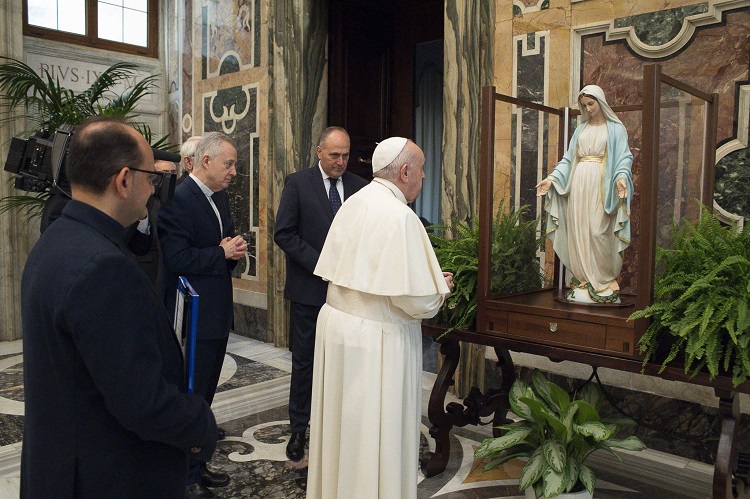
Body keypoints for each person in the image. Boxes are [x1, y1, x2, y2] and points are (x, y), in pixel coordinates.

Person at [20, 116, 218, 498]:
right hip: (105, 473)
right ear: (124, 180)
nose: (154, 190)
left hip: (60, 462)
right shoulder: (102, 266)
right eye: (151, 178)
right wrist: (200, 427)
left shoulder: (56, 239)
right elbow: (140, 402)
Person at [306, 137, 454, 499]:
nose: (422, 177)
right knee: (376, 432)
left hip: (338, 328)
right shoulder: (400, 215)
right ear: (405, 171)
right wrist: (439, 287)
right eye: (420, 170)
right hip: (377, 341)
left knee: (343, 430)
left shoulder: (353, 202)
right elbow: (417, 299)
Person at [158, 132, 247, 498]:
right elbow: (176, 259)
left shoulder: (218, 197)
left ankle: (198, 464)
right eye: (228, 164)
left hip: (215, 312)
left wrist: (232, 251)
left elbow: (219, 244)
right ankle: (185, 476)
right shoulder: (179, 198)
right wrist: (221, 254)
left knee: (205, 395)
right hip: (192, 316)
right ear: (205, 161)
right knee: (190, 396)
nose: (234, 172)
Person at [274, 126, 368, 462]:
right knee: (305, 362)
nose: (341, 161)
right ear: (319, 151)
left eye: (345, 155)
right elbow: (283, 234)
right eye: (334, 155)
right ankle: (298, 429)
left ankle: (342, 426)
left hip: (350, 295)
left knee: (347, 362)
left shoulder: (360, 187)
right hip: (309, 290)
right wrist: (323, 264)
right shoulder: (298, 183)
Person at [536, 84, 633, 303]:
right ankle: (584, 278)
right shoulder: (581, 130)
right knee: (579, 229)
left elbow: (624, 158)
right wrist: (551, 179)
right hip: (578, 183)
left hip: (602, 183)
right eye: (584, 105)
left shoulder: (615, 128)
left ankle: (604, 279)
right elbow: (569, 160)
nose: (588, 108)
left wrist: (621, 178)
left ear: (601, 102)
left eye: (591, 103)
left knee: (598, 231)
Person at [126, 159, 178, 291]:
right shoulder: (141, 200)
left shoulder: (177, 200)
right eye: (164, 173)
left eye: (173, 173)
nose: (169, 178)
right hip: (143, 270)